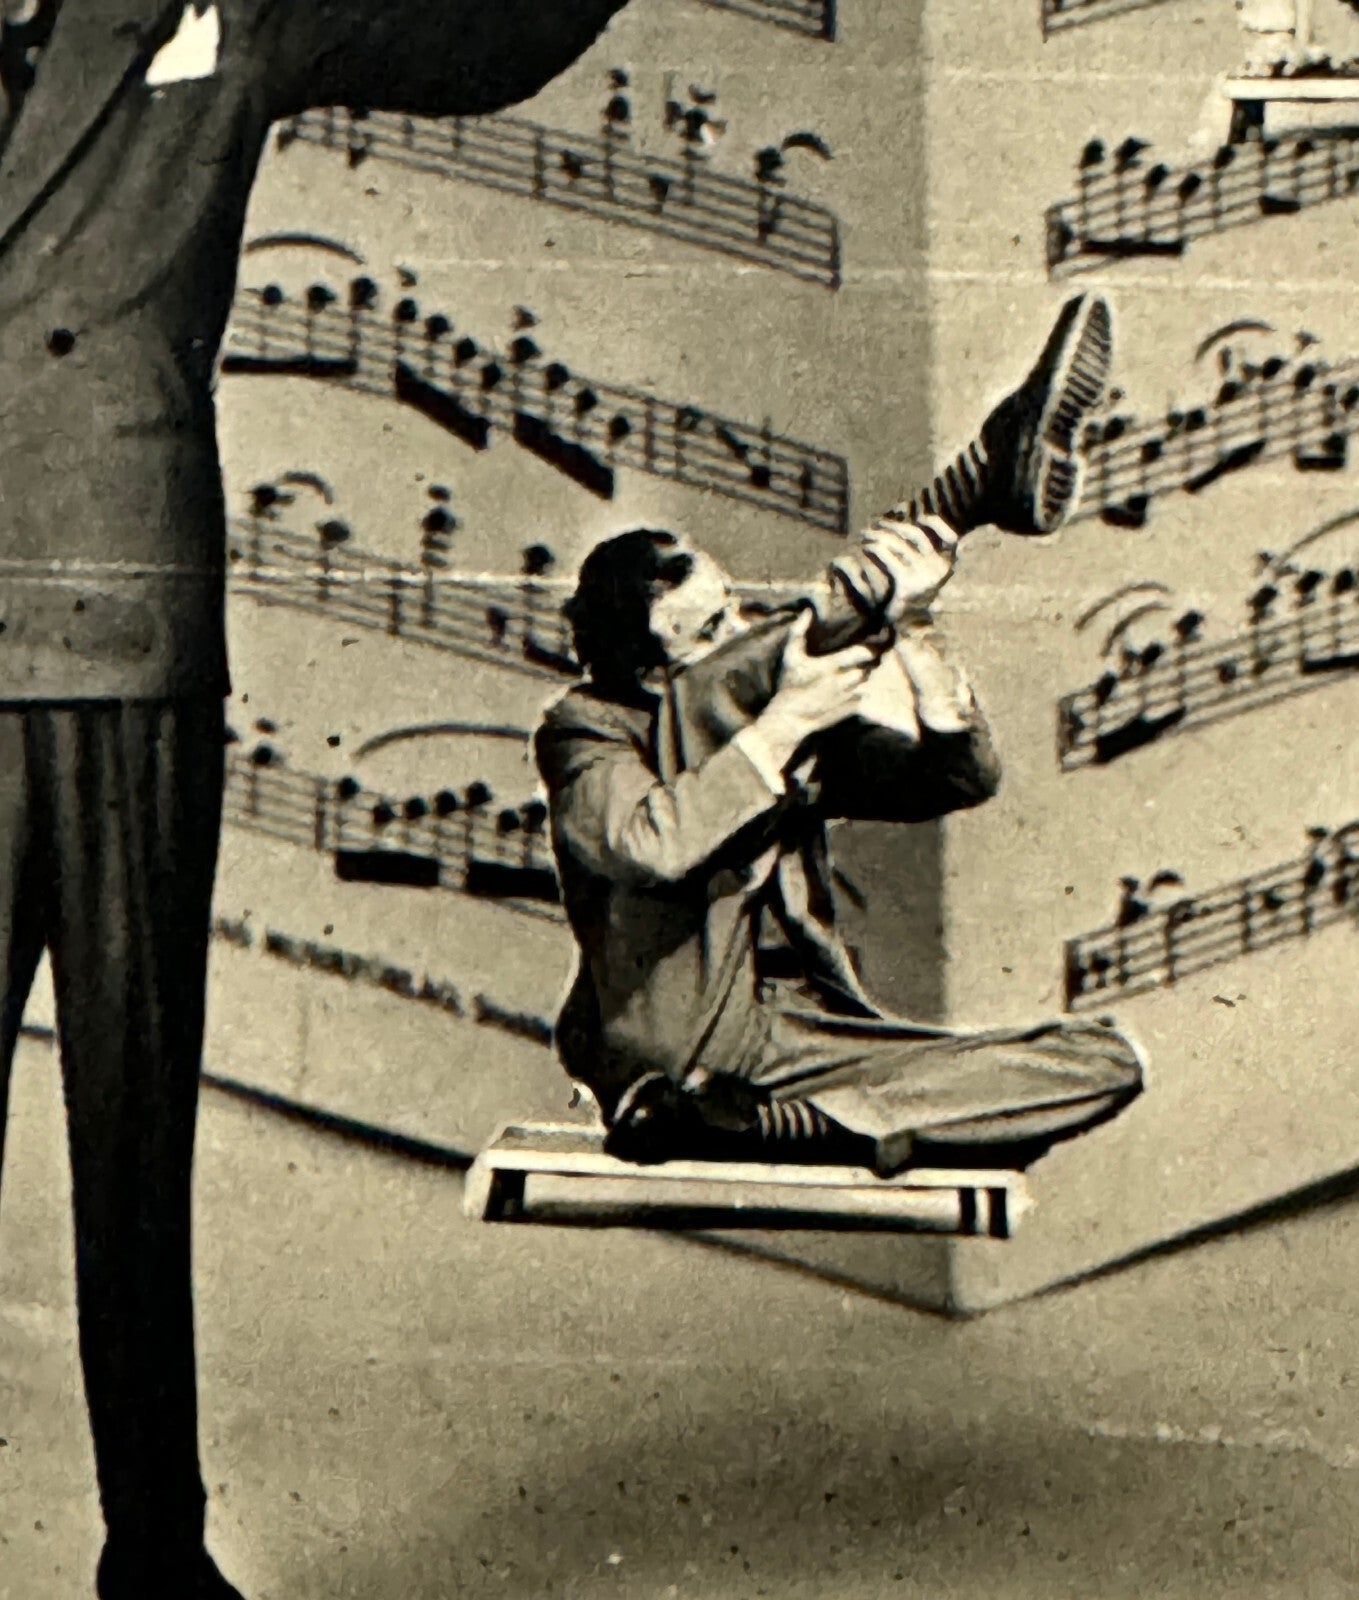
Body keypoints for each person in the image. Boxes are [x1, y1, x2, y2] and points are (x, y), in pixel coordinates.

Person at [0, 3, 638, 1597]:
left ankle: (156, 1552)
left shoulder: (224, 4)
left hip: (123, 614)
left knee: (132, 1127)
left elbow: (475, 39)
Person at [535, 518, 1145, 1177]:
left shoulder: (772, 717)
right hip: (685, 1043)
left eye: (733, 607)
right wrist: (784, 724)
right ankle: (837, 1122)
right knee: (985, 1117)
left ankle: (763, 1127)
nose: (741, 632)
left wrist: (915, 630)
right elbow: (652, 844)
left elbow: (957, 776)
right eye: (712, 631)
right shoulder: (586, 730)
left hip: (804, 1036)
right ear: (652, 676)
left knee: (1102, 1058)